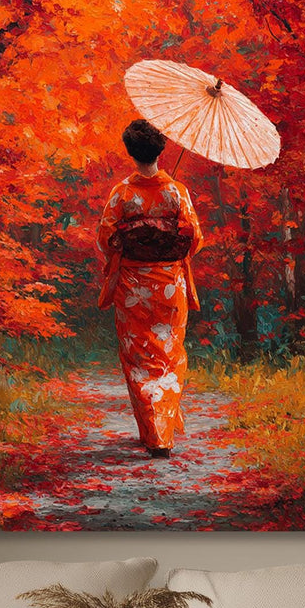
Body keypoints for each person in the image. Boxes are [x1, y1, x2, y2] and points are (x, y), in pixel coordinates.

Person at [96, 118, 205, 459]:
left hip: (133, 284)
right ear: (161, 150)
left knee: (138, 356)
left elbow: (106, 238)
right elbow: (195, 239)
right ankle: (163, 425)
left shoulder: (122, 193)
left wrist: (135, 235)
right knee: (168, 354)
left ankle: (154, 432)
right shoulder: (177, 191)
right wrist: (165, 233)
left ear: (131, 152)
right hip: (169, 283)